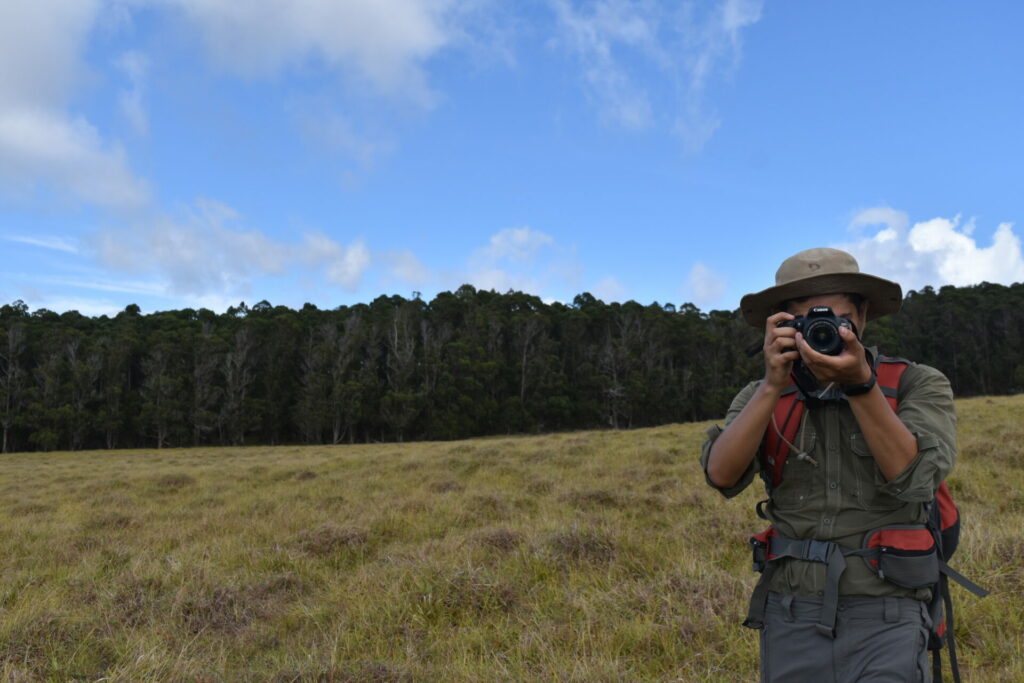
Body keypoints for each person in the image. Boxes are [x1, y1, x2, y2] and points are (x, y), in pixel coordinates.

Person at [700, 247, 957, 682]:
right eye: (803, 323)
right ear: (779, 327)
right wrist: (771, 385)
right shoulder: (761, 396)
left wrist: (861, 385)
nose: (822, 333)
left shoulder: (917, 383)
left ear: (862, 316)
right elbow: (720, 475)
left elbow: (914, 479)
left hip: (888, 606)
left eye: (836, 321)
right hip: (791, 608)